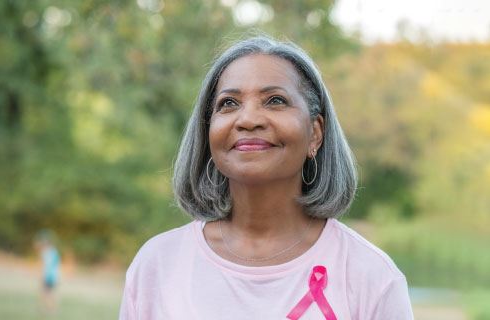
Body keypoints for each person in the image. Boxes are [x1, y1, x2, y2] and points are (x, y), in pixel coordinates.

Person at [119, 35, 413, 319]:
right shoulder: (157, 265)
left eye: (274, 100)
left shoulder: (371, 277)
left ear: (315, 133)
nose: (248, 120)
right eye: (229, 103)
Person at [35, 230, 61, 315]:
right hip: (54, 276)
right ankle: (50, 309)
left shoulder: (46, 252)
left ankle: (48, 309)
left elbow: (45, 266)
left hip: (48, 276)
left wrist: (42, 276)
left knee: (45, 293)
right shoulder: (54, 251)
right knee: (50, 293)